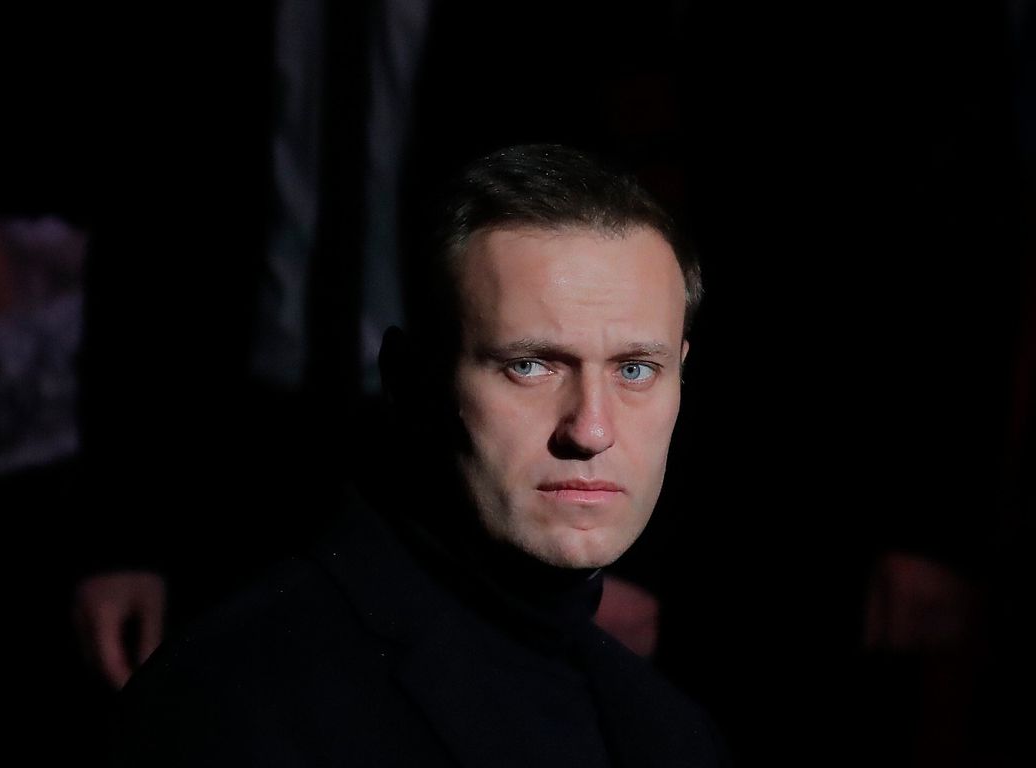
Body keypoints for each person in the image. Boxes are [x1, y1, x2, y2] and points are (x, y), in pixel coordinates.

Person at [112, 144, 726, 767]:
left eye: (635, 369)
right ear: (410, 381)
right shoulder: (232, 702)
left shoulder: (672, 734)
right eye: (530, 366)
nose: (591, 429)